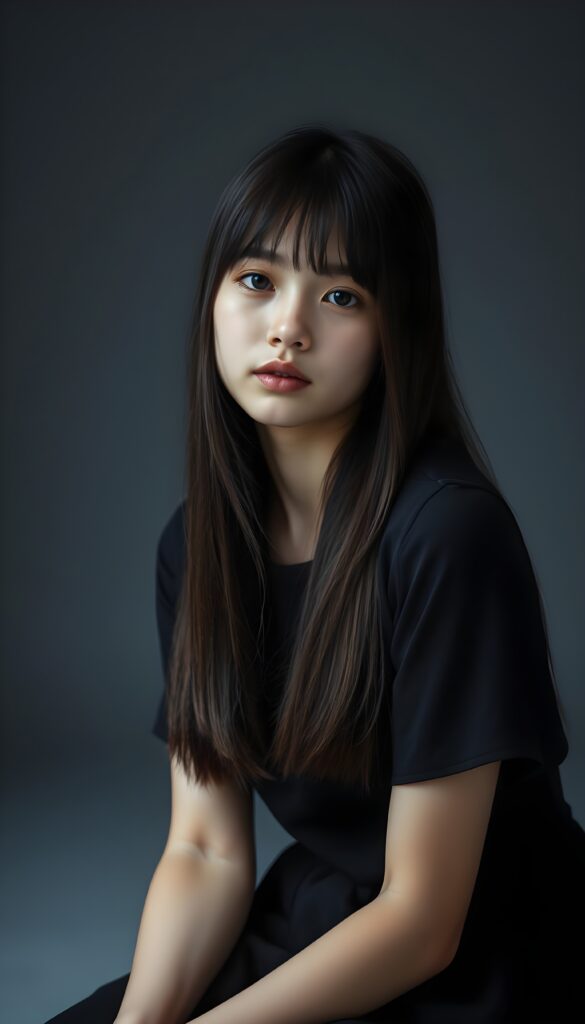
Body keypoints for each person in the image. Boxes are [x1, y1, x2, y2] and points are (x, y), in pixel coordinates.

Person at [43, 123, 585, 1024]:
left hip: (492, 957)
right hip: (327, 920)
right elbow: (207, 852)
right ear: (213, 300)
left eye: (340, 295)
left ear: (392, 328)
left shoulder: (447, 532)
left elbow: (423, 920)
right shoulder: (197, 545)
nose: (287, 328)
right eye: (256, 280)